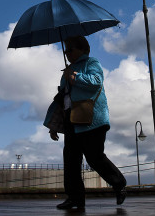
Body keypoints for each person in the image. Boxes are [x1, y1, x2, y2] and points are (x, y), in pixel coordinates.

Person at [44, 35, 127, 211]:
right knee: (71, 161)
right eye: (65, 49)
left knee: (94, 157)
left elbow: (96, 82)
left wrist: (74, 76)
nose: (67, 53)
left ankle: (119, 184)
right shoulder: (67, 71)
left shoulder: (91, 63)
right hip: (72, 120)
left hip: (92, 120)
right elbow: (62, 97)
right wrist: (53, 124)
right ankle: (74, 198)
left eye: (70, 49)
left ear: (82, 49)